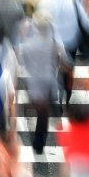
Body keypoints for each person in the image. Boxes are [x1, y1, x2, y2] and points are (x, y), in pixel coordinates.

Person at [20, 9, 70, 154]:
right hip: (49, 81)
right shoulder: (54, 43)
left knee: (40, 112)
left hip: (35, 81)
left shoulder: (27, 45)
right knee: (43, 115)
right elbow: (64, 60)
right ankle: (39, 142)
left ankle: (38, 141)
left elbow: (25, 64)